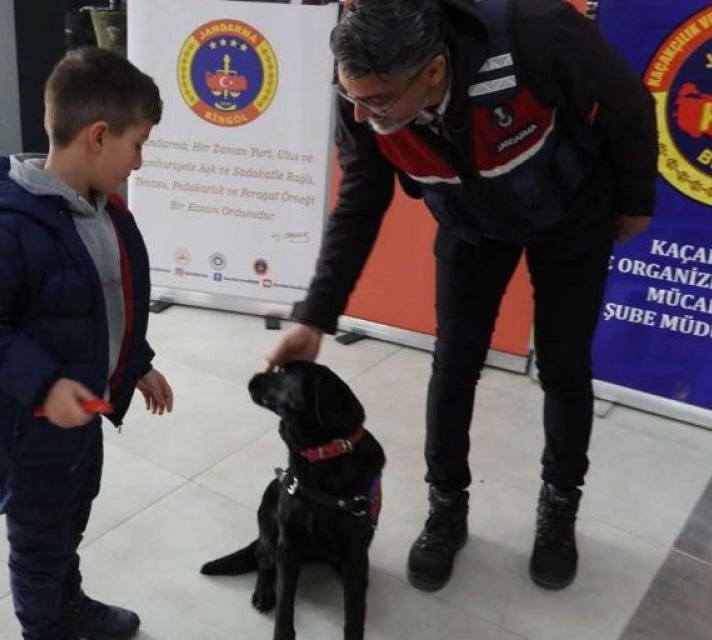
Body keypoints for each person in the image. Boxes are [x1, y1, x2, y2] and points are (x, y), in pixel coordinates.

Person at [266, 0, 657, 592]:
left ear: (433, 71)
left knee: (563, 364)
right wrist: (315, 317)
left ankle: (559, 504)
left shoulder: (537, 33)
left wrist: (633, 203)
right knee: (453, 365)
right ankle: (446, 505)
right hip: (470, 224)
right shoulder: (361, 95)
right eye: (351, 97)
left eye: (377, 101)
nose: (362, 114)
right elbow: (360, 200)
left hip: (573, 213)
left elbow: (629, 108)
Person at [0, 47, 174, 639]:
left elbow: (103, 306)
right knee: (39, 543)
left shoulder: (103, 212)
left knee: (69, 520)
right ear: (98, 136)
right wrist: (43, 383)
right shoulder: (4, 225)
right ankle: (46, 628)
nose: (140, 162)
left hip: (79, 415)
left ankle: (69, 605)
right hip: (27, 426)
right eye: (138, 144)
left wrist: (137, 363)